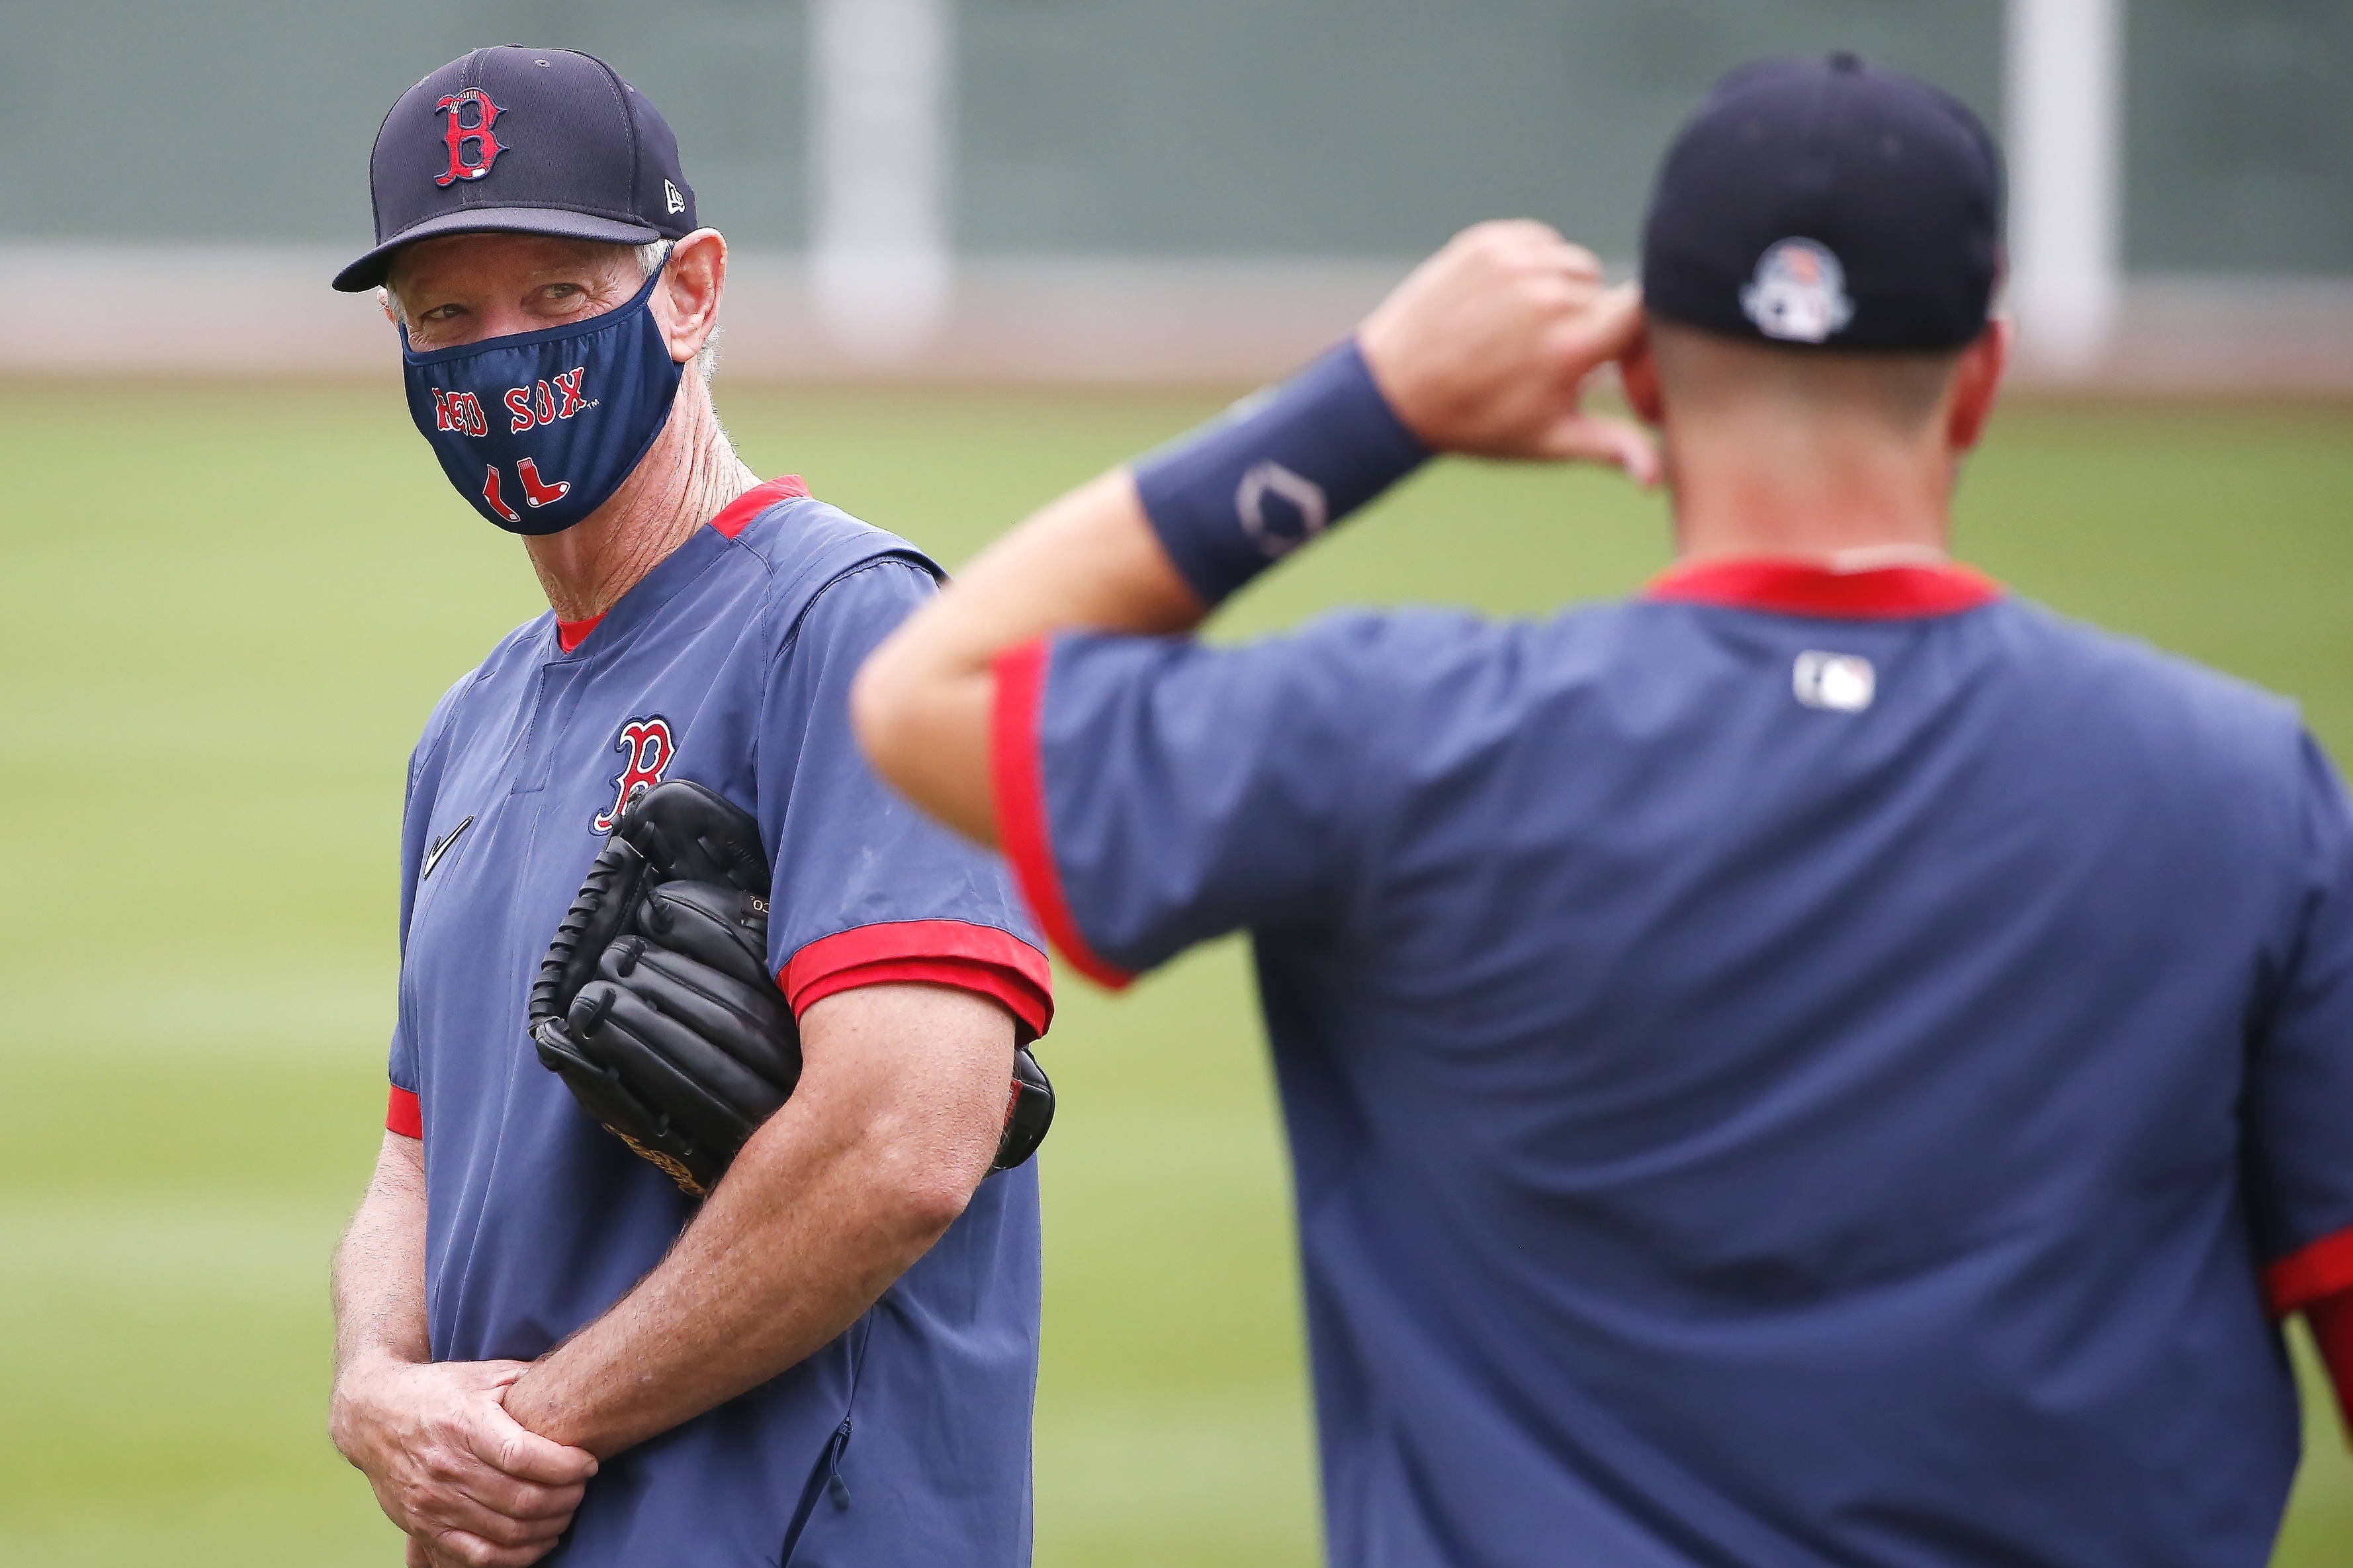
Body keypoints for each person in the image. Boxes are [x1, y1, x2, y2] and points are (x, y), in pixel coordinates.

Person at [854, 54, 2353, 1567]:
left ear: (1637, 371)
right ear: (1981, 372)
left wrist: (1370, 406)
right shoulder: (2241, 786)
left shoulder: (1404, 735)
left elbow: (924, 696)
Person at [324, 46, 1055, 1568]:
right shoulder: (466, 726)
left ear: (691, 291)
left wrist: (532, 1429)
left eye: (557, 299)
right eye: (445, 319)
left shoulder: (853, 628)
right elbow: (414, 1154)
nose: (496, 358)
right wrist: (380, 1394)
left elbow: (905, 1142)